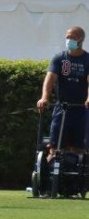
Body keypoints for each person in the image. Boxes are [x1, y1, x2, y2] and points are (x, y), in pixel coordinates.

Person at [36, 26, 89, 157]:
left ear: (81, 39)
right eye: (68, 37)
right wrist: (44, 98)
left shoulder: (87, 59)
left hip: (81, 109)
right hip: (62, 108)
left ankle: (77, 173)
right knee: (55, 147)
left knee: (79, 148)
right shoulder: (60, 58)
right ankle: (51, 172)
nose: (69, 40)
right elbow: (50, 78)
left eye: (73, 37)